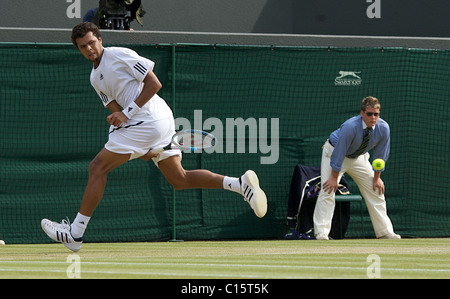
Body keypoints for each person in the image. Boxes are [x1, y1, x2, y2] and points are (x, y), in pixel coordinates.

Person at [41, 22, 267, 252]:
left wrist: (127, 115)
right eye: (82, 47)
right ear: (78, 49)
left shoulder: (119, 55)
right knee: (180, 179)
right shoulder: (95, 78)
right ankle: (239, 185)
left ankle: (75, 233)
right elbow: (117, 113)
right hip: (148, 126)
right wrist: (136, 143)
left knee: (97, 167)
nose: (89, 49)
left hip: (151, 118)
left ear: (100, 39)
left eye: (91, 43)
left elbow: (154, 83)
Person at [313, 96, 400, 240]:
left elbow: (380, 156)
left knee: (376, 189)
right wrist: (334, 178)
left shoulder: (383, 128)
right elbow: (339, 153)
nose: (373, 117)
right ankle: (321, 233)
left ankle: (384, 232)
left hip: (359, 157)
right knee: (328, 189)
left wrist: (377, 178)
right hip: (334, 153)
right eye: (369, 114)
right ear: (362, 113)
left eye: (376, 114)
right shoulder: (350, 127)